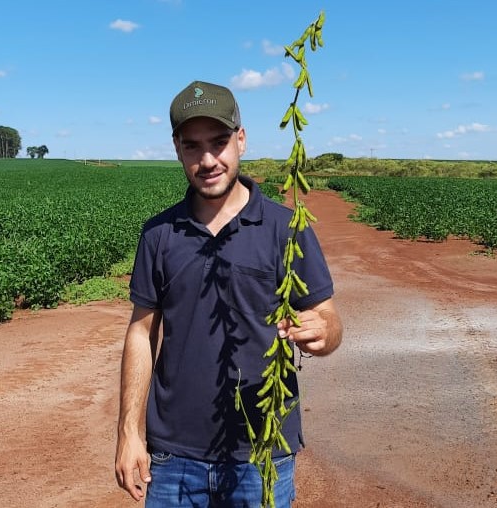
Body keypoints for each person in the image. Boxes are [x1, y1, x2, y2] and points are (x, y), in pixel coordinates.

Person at [114, 80, 342, 507]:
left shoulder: (286, 229)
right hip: (172, 457)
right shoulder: (159, 235)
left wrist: (322, 332)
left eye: (218, 142)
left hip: (261, 452)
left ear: (241, 139)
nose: (207, 160)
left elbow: (329, 319)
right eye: (192, 147)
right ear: (177, 148)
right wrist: (129, 432)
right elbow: (141, 335)